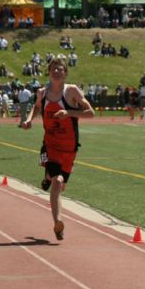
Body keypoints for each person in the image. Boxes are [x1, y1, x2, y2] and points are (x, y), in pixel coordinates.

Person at [23, 58, 94, 241]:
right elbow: (37, 107)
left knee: (59, 183)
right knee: (57, 182)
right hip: (51, 145)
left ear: (65, 73)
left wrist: (68, 112)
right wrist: (30, 119)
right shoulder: (42, 92)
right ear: (48, 72)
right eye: (53, 69)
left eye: (60, 70)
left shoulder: (72, 92)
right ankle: (58, 223)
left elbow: (90, 113)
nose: (56, 72)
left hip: (70, 148)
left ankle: (47, 178)